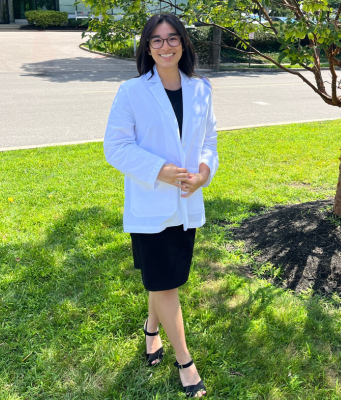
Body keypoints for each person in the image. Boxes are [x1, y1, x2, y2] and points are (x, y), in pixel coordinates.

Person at [104, 12, 218, 398]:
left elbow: (209, 141)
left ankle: (152, 331)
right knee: (165, 281)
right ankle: (185, 361)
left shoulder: (201, 89)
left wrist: (204, 172)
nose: (165, 46)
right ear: (147, 48)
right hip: (150, 203)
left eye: (172, 39)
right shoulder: (131, 92)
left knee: (164, 277)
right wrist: (160, 171)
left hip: (187, 203)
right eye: (157, 40)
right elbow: (116, 148)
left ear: (183, 43)